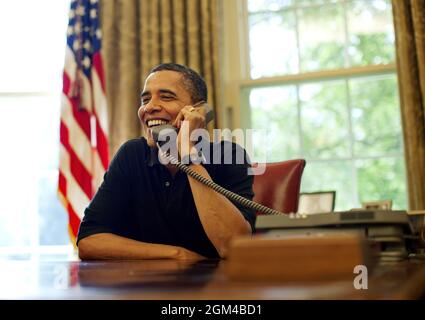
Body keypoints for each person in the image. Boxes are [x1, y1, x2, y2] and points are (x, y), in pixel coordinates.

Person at [77, 63, 256, 260]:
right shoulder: (131, 155)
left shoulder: (229, 154)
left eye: (166, 96)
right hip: (148, 286)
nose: (150, 107)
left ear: (197, 111)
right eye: (145, 99)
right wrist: (177, 254)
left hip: (217, 287)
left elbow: (233, 247)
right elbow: (89, 240)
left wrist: (187, 154)